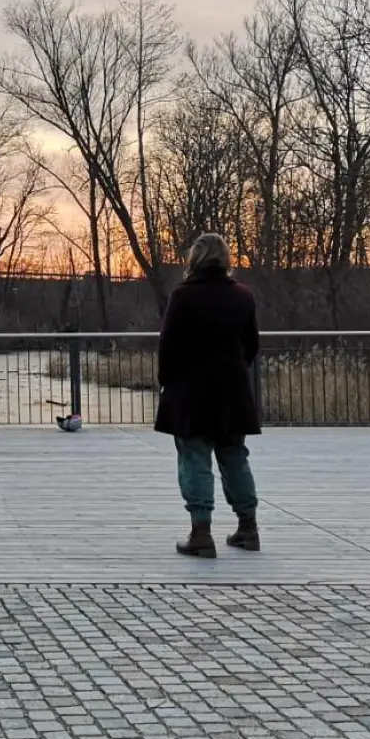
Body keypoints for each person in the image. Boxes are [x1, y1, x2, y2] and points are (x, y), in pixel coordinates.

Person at [153, 233, 261, 559]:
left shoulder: (183, 296)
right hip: (233, 391)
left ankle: (201, 533)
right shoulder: (243, 296)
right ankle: (248, 528)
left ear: (194, 259)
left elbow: (168, 345)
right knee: (235, 458)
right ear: (225, 260)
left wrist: (167, 381)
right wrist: (234, 371)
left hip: (191, 392)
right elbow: (251, 345)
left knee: (195, 458)